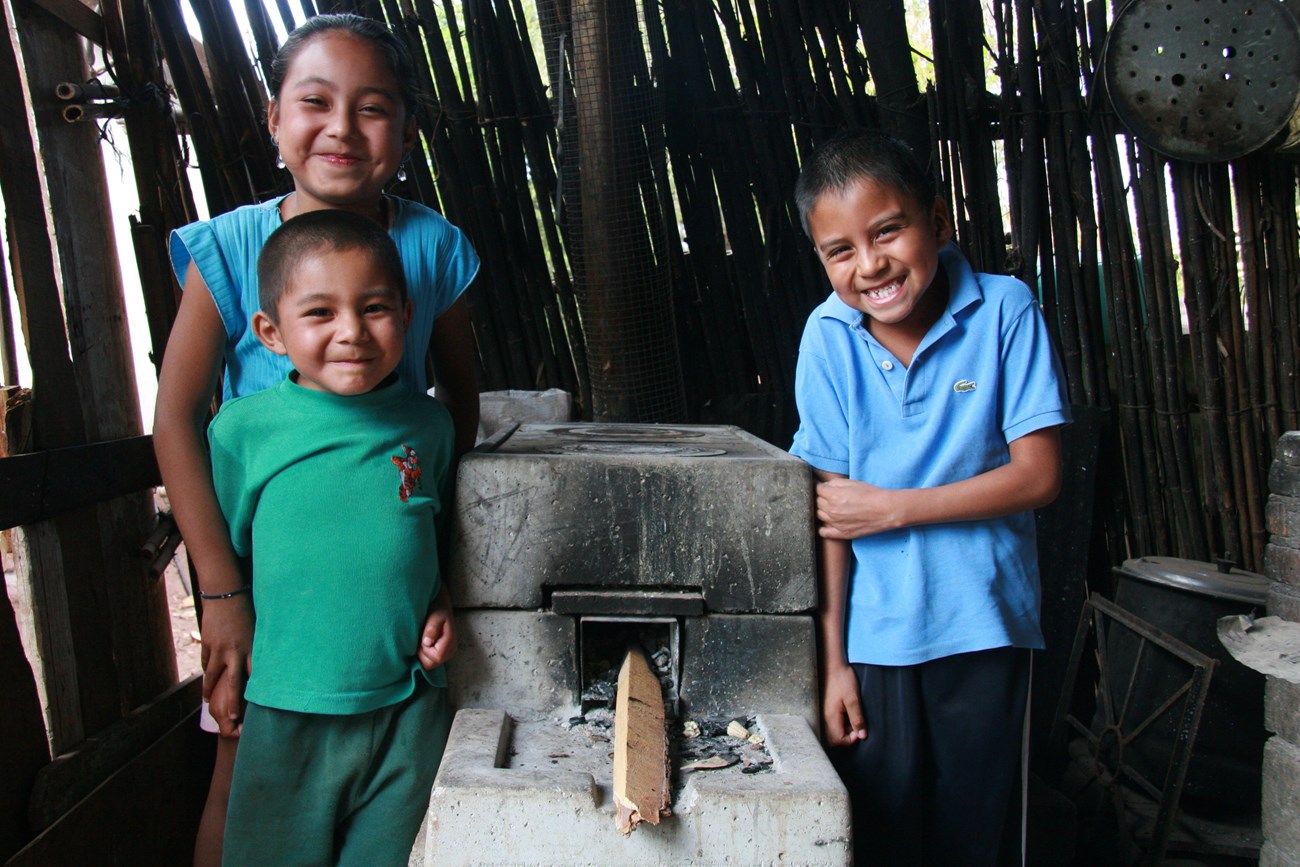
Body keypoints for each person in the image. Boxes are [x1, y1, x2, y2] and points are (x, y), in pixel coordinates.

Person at [151, 14, 479, 865]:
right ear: (273, 118)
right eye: (315, 102)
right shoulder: (228, 246)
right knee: (240, 774)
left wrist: (430, 568)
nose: (341, 127)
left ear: (404, 132)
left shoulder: (431, 245)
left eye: (372, 108)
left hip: (381, 586)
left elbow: (457, 415)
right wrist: (222, 596)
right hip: (262, 575)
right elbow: (175, 417)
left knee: (385, 795)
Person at [788, 129, 1069, 866]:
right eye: (839, 250)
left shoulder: (1006, 310)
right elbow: (828, 518)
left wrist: (892, 507)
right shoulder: (827, 337)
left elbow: (1039, 474)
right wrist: (834, 663)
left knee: (980, 838)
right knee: (877, 835)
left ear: (937, 223)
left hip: (987, 626)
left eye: (888, 231)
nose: (870, 264)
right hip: (873, 639)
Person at [208, 208, 457, 864]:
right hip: (289, 711)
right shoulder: (244, 432)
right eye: (320, 313)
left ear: (405, 314)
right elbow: (226, 556)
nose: (352, 331)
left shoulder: (428, 425)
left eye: (374, 308)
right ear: (271, 332)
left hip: (407, 709)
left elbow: (430, 534)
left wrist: (442, 600)